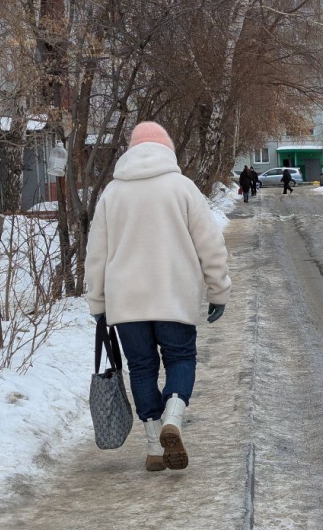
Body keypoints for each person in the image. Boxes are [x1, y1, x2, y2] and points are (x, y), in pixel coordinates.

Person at [86, 121, 231, 472]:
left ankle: (154, 446)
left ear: (130, 152)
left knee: (142, 368)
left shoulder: (112, 194)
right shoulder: (182, 188)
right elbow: (210, 244)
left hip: (127, 302)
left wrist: (97, 302)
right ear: (167, 149)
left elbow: (97, 253)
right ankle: (174, 416)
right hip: (174, 297)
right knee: (180, 359)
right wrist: (218, 290)